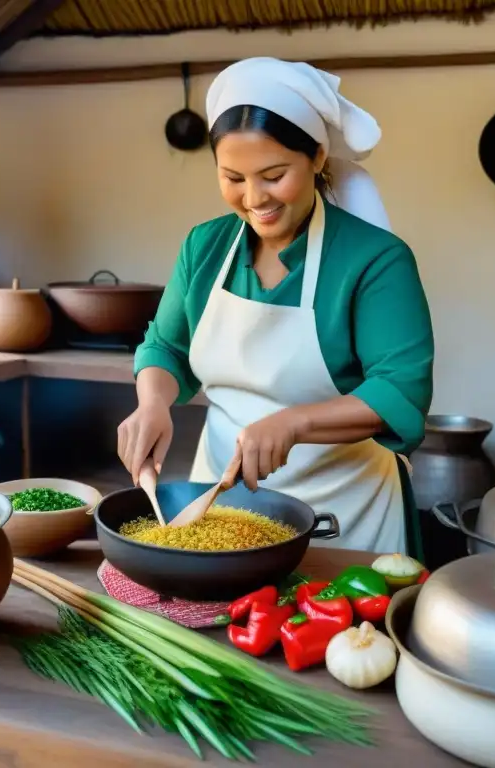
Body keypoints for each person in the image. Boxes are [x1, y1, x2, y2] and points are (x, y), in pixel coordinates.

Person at [117, 57, 434, 556]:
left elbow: (401, 391)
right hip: (221, 508)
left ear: (318, 157)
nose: (254, 197)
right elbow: (166, 347)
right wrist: (152, 402)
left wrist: (294, 423)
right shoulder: (204, 247)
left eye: (273, 174)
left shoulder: (375, 260)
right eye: (233, 178)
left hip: (344, 519)